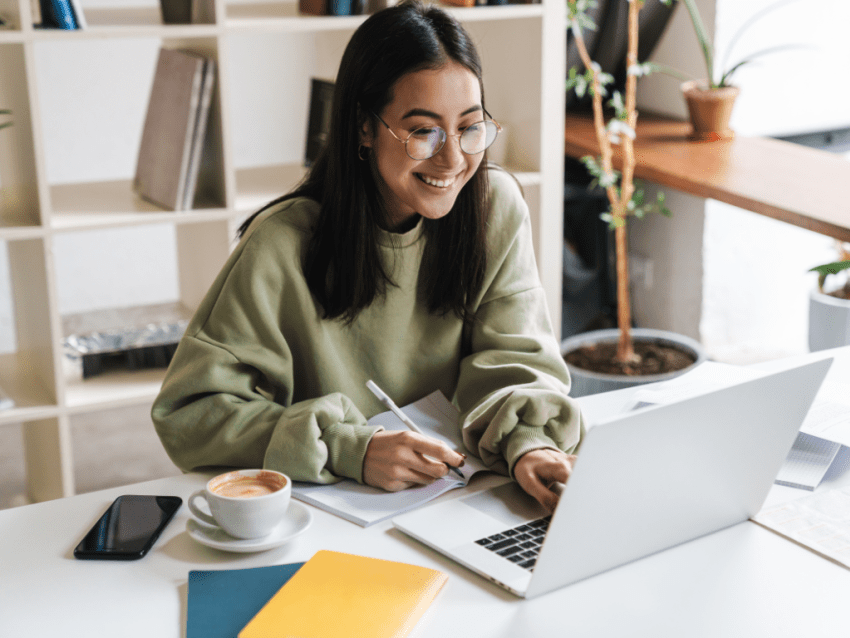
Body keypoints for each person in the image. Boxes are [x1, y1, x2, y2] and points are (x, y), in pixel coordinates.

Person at [152, 0, 584, 512]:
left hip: (462, 501)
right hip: (329, 515)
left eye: (470, 127)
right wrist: (350, 448)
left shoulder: (496, 209)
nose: (453, 159)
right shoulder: (281, 244)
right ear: (363, 127)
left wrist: (530, 442)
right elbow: (190, 414)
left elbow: (515, 362)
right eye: (424, 131)